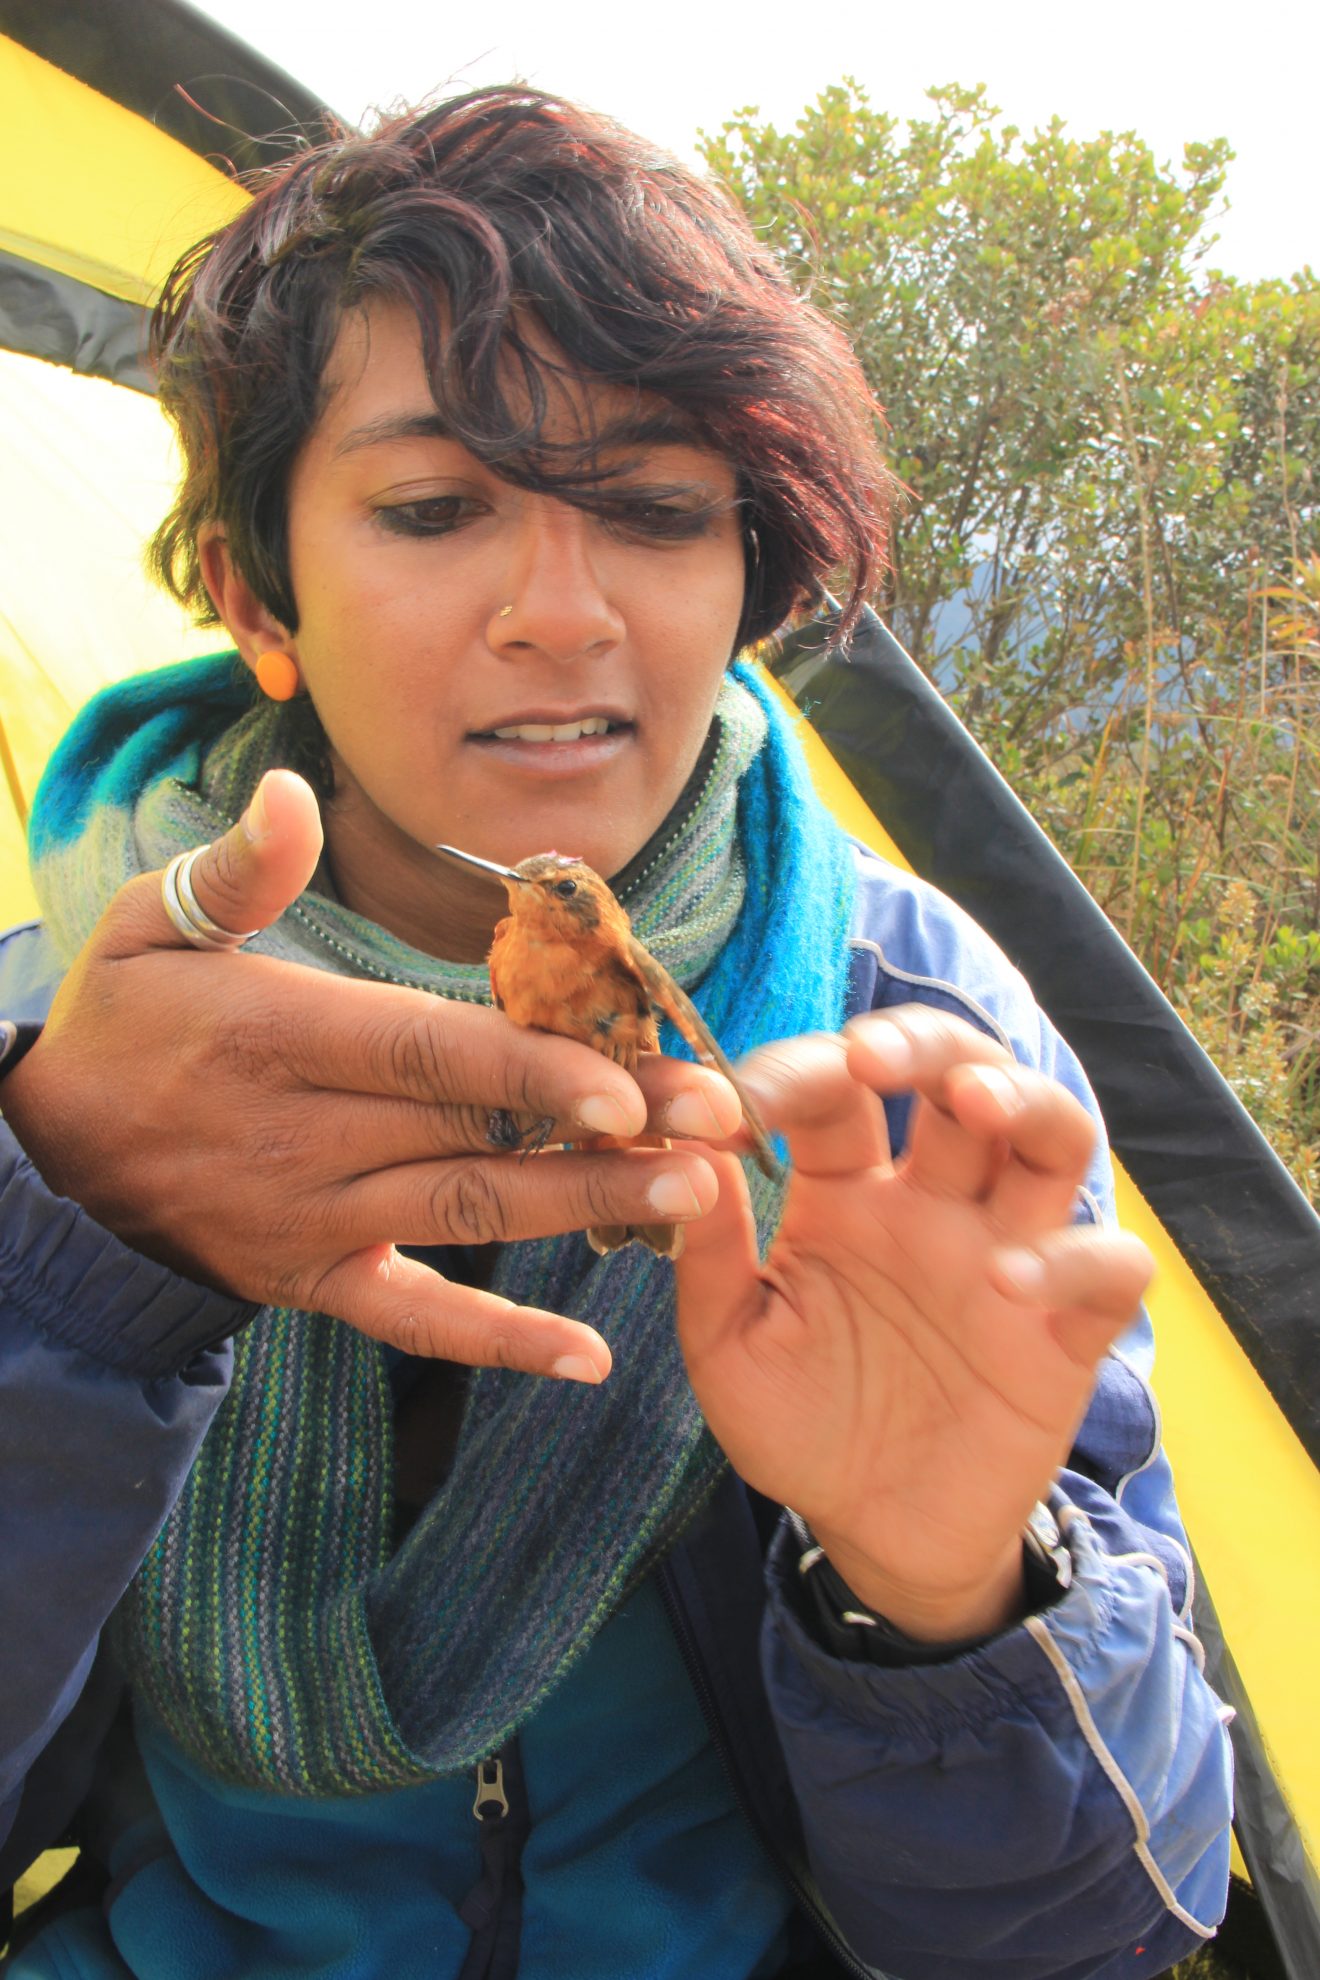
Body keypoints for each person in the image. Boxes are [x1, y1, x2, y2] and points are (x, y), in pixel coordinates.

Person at [0, 86, 1231, 1980]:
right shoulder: (46, 1061)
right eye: (432, 509)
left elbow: (1093, 1933)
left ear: (750, 577)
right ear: (261, 594)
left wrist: (946, 1605)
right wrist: (71, 1285)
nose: (562, 616)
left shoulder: (906, 1056)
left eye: (657, 510)